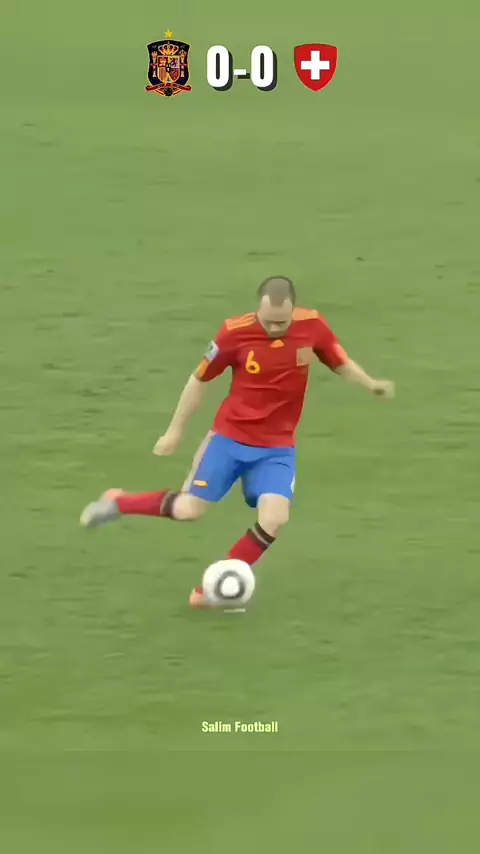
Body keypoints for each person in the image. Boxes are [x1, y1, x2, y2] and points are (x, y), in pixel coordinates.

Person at [80, 276, 394, 607]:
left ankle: (213, 588)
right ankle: (119, 502)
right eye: (268, 321)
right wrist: (175, 431)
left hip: (277, 448)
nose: (274, 328)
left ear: (293, 310)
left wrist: (370, 383)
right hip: (229, 440)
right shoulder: (234, 333)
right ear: (259, 307)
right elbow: (199, 380)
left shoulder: (312, 325)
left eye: (281, 322)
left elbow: (339, 361)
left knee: (275, 518)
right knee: (188, 510)